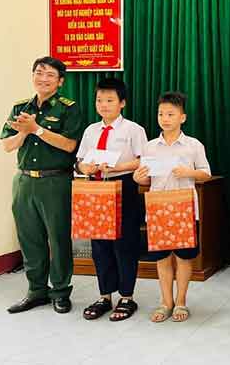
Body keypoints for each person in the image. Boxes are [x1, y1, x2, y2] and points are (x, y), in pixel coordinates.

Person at [0, 56, 83, 314]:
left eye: (49, 75)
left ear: (60, 81)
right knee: (29, 238)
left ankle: (60, 291)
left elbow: (70, 145)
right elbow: (7, 145)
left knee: (58, 238)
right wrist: (25, 130)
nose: (43, 78)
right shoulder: (20, 108)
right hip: (24, 180)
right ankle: (36, 291)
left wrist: (36, 129)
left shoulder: (68, 108)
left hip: (55, 180)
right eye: (39, 72)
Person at [133, 92, 211, 322]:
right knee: (162, 258)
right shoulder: (149, 147)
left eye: (170, 114)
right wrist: (139, 178)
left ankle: (181, 302)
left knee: (183, 257)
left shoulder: (193, 146)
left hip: (184, 207)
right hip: (157, 207)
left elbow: (205, 173)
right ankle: (165, 302)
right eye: (161, 114)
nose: (165, 118)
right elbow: (146, 180)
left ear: (182, 117)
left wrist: (189, 172)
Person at [76, 77, 147, 321]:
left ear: (122, 103)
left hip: (123, 186)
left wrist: (116, 168)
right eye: (99, 100)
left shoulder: (133, 130)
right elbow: (81, 161)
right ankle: (104, 295)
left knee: (124, 242)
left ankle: (127, 296)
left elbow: (142, 160)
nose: (103, 105)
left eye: (109, 100)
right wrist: (87, 168)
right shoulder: (90, 130)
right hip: (96, 188)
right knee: (99, 244)